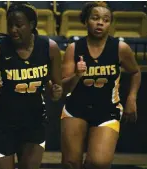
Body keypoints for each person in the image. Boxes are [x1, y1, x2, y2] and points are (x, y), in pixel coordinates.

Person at [0, 2, 63, 169]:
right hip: (2, 120)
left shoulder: (49, 48)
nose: (13, 30)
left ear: (32, 25)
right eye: (10, 25)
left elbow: (56, 90)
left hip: (34, 119)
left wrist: (55, 90)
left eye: (19, 25)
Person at [61, 2, 141, 169]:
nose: (100, 23)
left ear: (110, 24)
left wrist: (132, 98)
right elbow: (64, 87)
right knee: (70, 163)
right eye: (95, 18)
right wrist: (77, 75)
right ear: (86, 21)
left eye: (105, 20)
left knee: (99, 163)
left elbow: (135, 72)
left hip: (107, 110)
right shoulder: (74, 48)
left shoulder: (120, 48)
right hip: (76, 108)